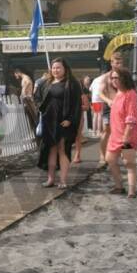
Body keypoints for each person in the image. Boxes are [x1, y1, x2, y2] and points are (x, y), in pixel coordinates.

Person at [34, 58, 82, 189]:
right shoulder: (46, 83)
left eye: (58, 68)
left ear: (65, 69)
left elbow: (76, 105)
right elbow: (37, 98)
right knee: (51, 150)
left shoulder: (72, 84)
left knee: (62, 150)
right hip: (49, 121)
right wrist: (41, 109)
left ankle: (63, 180)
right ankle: (50, 179)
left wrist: (70, 119)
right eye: (54, 68)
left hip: (63, 122)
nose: (56, 70)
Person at [105, 67, 137, 199]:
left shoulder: (130, 93)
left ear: (124, 78)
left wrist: (126, 136)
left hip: (128, 134)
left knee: (129, 163)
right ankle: (119, 186)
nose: (113, 80)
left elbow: (131, 117)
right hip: (115, 134)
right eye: (112, 78)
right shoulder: (118, 93)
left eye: (116, 77)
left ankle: (131, 191)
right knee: (110, 159)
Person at [96, 53, 125, 167]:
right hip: (109, 106)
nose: (118, 64)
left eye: (120, 62)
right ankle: (102, 155)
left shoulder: (125, 76)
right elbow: (100, 93)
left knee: (123, 131)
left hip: (122, 106)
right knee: (107, 130)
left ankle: (121, 153)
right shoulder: (106, 77)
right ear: (111, 63)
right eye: (116, 62)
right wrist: (108, 100)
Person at [74, 75, 92, 163]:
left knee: (77, 137)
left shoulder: (82, 95)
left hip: (78, 118)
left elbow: (87, 107)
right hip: (65, 119)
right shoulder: (65, 94)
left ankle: (77, 155)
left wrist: (78, 107)